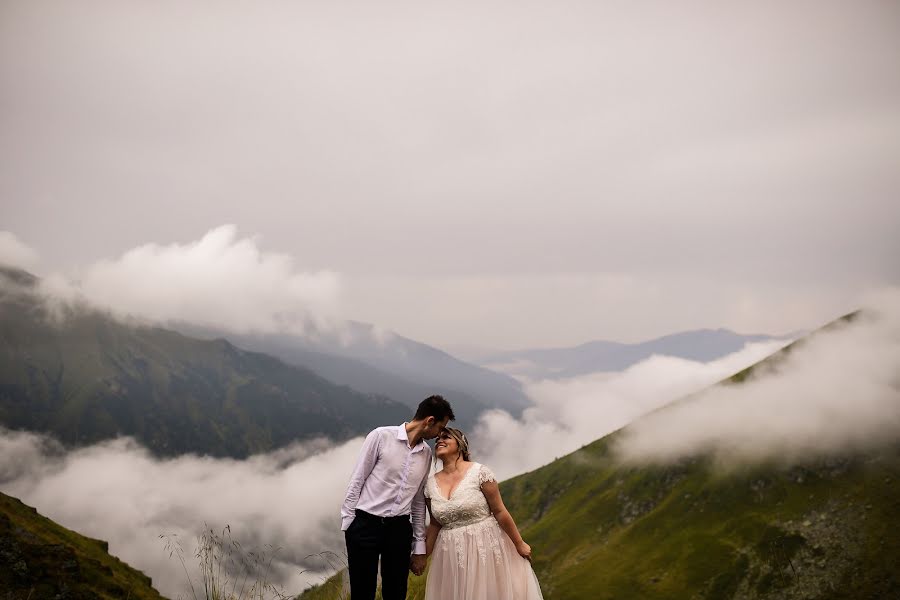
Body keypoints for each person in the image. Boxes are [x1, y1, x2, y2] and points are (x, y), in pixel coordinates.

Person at [341, 395, 455, 600]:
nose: (439, 434)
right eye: (440, 427)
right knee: (362, 591)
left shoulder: (426, 453)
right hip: (365, 524)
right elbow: (357, 479)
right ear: (429, 421)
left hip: (399, 529)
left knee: (396, 593)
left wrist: (419, 545)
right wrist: (349, 522)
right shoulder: (380, 436)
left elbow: (419, 501)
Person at [424, 427, 544, 600]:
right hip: (449, 551)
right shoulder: (429, 484)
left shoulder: (479, 473)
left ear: (460, 445)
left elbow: (500, 511)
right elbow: (435, 523)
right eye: (437, 439)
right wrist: (423, 555)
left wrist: (519, 543)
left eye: (446, 437)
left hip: (485, 545)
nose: (439, 441)